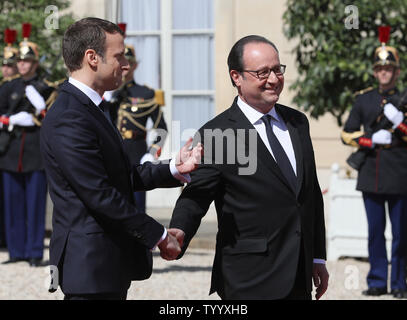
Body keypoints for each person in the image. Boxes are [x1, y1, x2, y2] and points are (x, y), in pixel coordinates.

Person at [40, 17, 202, 300]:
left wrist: (174, 168)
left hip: (107, 264)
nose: (125, 65)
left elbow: (121, 175)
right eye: (119, 56)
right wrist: (160, 236)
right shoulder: (70, 115)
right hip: (89, 268)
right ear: (92, 57)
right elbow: (98, 194)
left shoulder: (91, 108)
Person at [169, 35, 329, 300]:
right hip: (248, 277)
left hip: (298, 274)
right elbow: (196, 197)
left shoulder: (297, 122)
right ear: (236, 77)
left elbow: (309, 194)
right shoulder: (216, 133)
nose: (274, 79)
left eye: (278, 69)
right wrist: (179, 231)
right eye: (262, 72)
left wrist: (318, 257)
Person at [341, 29, 407, 298]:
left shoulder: (403, 99)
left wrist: (399, 123)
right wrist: (371, 141)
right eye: (380, 68)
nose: (384, 73)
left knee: (402, 234)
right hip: (371, 174)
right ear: (374, 71)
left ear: (397, 72)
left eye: (389, 68)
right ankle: (378, 281)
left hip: (401, 174)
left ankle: (401, 283)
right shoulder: (363, 99)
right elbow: (347, 133)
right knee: (375, 233)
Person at [0, 23, 54, 267]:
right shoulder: (8, 87)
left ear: (35, 63)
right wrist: (8, 120)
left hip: (35, 152)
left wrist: (40, 109)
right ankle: (16, 250)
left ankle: (34, 252)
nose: (22, 65)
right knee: (13, 204)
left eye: (27, 61)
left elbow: (51, 119)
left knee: (34, 205)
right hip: (11, 151)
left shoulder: (46, 88)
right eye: (20, 61)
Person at [105, 23, 168, 214]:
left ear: (135, 65)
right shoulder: (106, 93)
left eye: (129, 63)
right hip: (109, 156)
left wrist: (152, 153)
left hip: (136, 155)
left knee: (136, 209)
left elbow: (161, 129)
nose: (125, 68)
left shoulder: (146, 93)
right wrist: (108, 96)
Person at [0, 28, 19, 249]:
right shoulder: (5, 86)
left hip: (9, 145)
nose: (6, 68)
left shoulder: (15, 87)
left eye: (9, 65)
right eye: (4, 65)